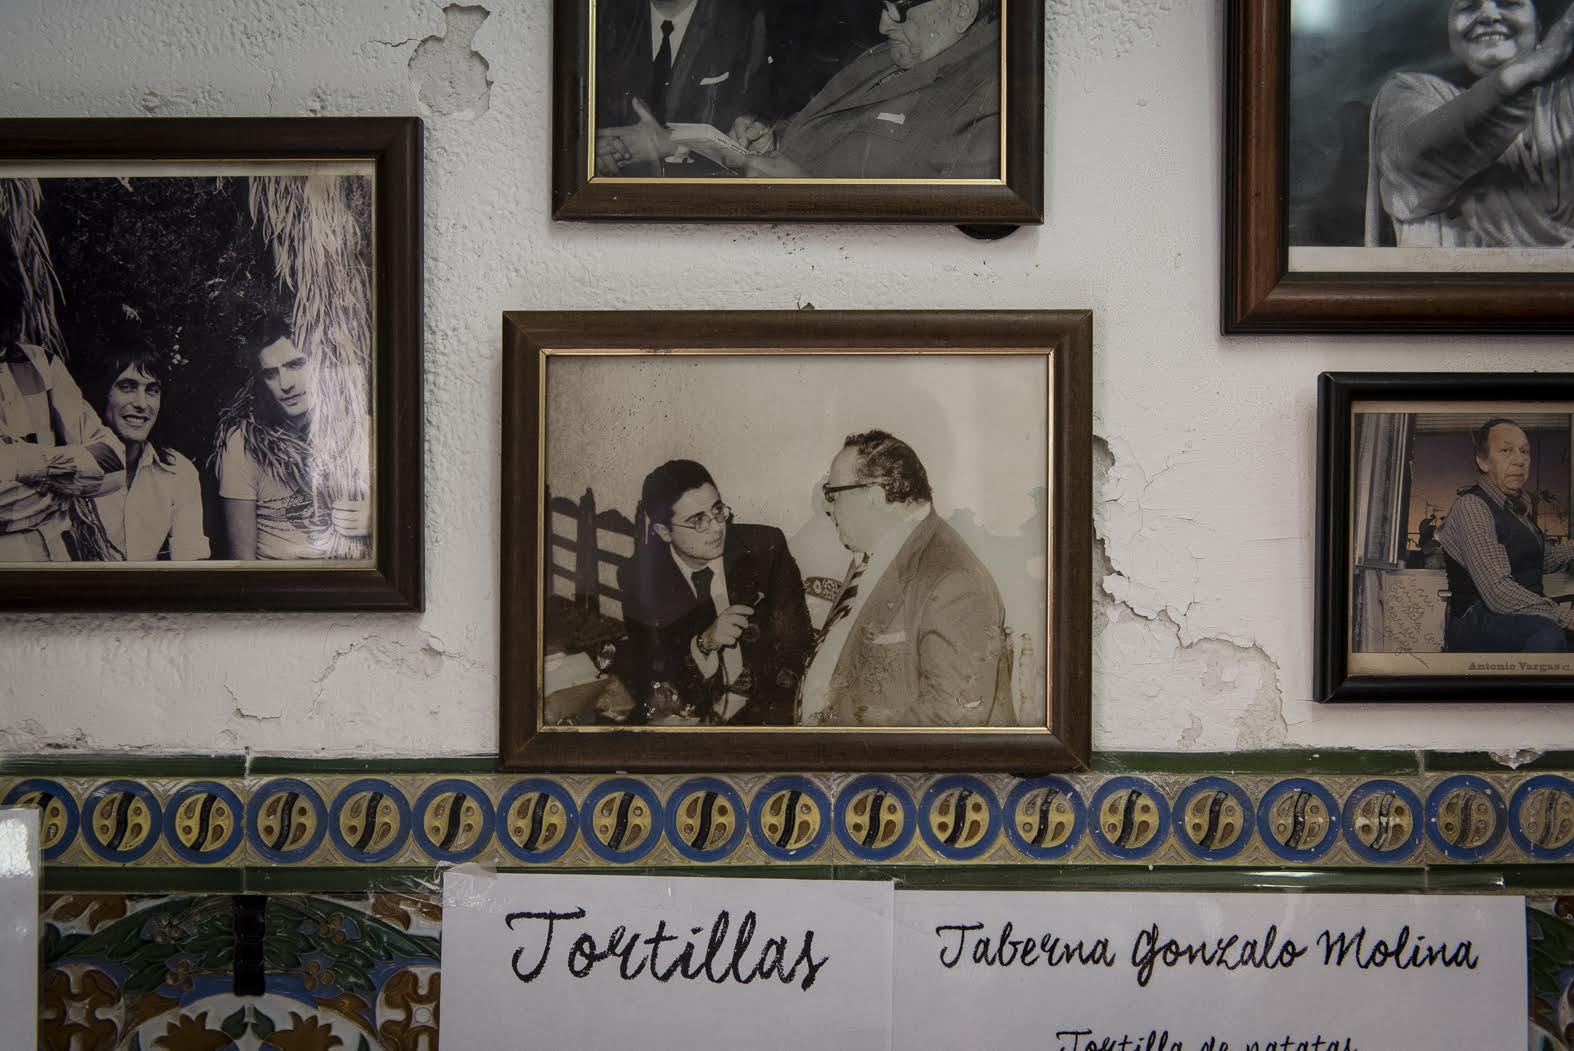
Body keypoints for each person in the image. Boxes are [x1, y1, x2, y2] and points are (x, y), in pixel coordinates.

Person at [802, 430, 1013, 727]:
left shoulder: (953, 580)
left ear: (874, 496)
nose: (827, 507)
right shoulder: (877, 556)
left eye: (832, 494)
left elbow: (948, 720)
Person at [614, 459, 812, 725]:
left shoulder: (766, 548)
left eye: (718, 511)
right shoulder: (639, 575)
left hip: (762, 709)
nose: (717, 527)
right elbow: (652, 666)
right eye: (698, 521)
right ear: (664, 531)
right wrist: (703, 644)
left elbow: (796, 644)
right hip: (689, 709)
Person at [1368, 0, 1574, 247]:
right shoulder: (1409, 94)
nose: (1488, 14)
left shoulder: (1566, 101)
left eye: (1509, 2)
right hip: (1446, 284)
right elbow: (1411, 166)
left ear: (1540, 23)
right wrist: (1533, 66)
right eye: (1468, 6)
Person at [730, 0, 1001, 179]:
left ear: (961, 10)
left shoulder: (994, 97)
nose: (883, 25)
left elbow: (950, 234)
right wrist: (774, 142)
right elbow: (845, 130)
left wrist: (807, 193)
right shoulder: (886, 56)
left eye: (898, 8)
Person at [0, 241, 123, 562]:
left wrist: (18, 465)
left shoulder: (41, 364)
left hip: (57, 558)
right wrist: (57, 471)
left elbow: (114, 459)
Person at [214, 318, 368, 560]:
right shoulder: (243, 441)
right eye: (271, 374)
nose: (285, 384)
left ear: (320, 361)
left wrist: (380, 520)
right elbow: (242, 563)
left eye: (296, 365)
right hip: (278, 589)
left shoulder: (359, 429)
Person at [1438, 417, 1574, 652]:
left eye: (1525, 451)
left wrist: (1572, 548)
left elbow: (1534, 561)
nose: (1520, 460)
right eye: (1506, 451)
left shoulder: (1517, 508)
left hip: (1521, 616)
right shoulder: (1473, 505)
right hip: (1478, 618)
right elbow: (1497, 591)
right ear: (1483, 461)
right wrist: (1564, 615)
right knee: (1548, 636)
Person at [593, 0, 771, 175]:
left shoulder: (744, 23)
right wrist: (597, 150)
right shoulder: (601, 16)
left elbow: (752, 140)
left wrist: (674, 145)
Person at [89, 343, 209, 561]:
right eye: (127, 387)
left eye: (152, 390)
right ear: (102, 391)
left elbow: (190, 566)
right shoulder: (69, 466)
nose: (142, 404)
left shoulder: (178, 471)